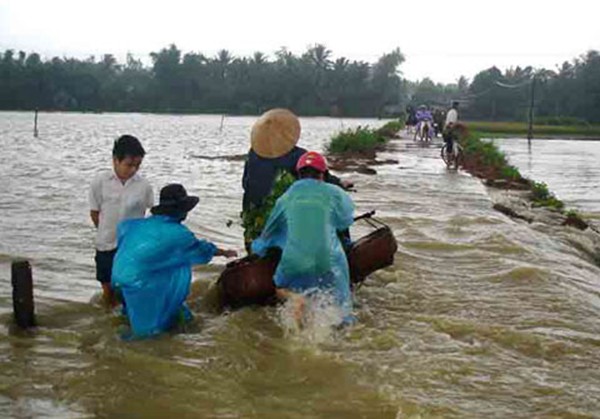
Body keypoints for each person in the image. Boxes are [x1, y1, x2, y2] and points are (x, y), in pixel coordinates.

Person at [112, 183, 237, 338]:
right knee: (147, 337)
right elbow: (202, 250)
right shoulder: (180, 234)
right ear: (181, 210)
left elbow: (124, 240)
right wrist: (225, 253)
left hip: (117, 279)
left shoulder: (133, 225)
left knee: (166, 269)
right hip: (139, 286)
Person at [251, 151, 355, 327]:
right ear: (322, 175)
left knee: (279, 286)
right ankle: (341, 319)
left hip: (295, 261)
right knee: (338, 283)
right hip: (327, 260)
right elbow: (345, 220)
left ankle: (295, 298)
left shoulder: (285, 198)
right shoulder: (335, 192)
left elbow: (268, 233)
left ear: (298, 175)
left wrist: (258, 248)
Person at [242, 108, 351, 250]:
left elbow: (245, 183)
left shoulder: (253, 154)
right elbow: (320, 177)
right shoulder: (297, 155)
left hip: (252, 215)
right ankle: (346, 247)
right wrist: (340, 183)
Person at [89, 135, 154, 307]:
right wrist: (104, 231)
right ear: (115, 160)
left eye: (137, 165)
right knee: (107, 287)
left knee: (130, 288)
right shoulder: (100, 182)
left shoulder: (144, 186)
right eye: (129, 165)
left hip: (132, 246)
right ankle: (109, 316)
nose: (133, 169)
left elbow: (151, 212)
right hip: (106, 243)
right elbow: (95, 212)